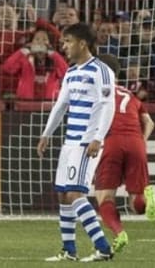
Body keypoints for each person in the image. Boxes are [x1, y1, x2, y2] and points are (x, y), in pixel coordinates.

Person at [36, 22, 115, 262]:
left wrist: (97, 138)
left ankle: (102, 247)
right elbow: (61, 106)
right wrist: (46, 133)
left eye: (68, 41)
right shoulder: (71, 72)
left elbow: (107, 106)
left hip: (85, 143)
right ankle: (69, 251)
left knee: (74, 194)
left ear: (83, 43)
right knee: (63, 195)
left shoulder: (101, 71)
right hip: (70, 143)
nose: (64, 46)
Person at [94, 54, 155, 253]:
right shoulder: (130, 94)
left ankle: (119, 232)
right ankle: (148, 198)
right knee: (136, 203)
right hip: (136, 141)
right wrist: (141, 141)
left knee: (105, 197)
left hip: (111, 141)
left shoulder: (98, 92)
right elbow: (149, 122)